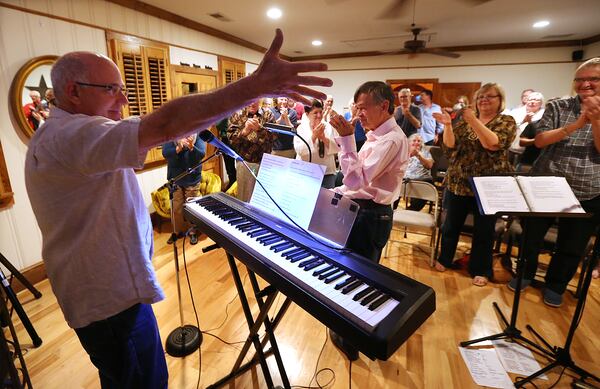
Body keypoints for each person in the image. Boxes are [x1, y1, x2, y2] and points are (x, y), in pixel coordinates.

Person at [24, 29, 331, 388]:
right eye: (111, 90)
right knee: (144, 381)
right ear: (73, 92)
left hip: (108, 293)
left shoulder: (70, 132)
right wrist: (254, 86)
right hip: (108, 301)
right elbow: (166, 125)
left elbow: (172, 128)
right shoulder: (72, 135)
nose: (123, 101)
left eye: (123, 89)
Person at [507, 57, 600, 307]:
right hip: (546, 181)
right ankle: (524, 273)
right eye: (580, 79)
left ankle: (556, 285)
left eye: (593, 79)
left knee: (572, 243)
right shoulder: (559, 106)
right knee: (531, 236)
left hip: (588, 188)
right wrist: (579, 123)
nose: (585, 84)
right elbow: (540, 141)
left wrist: (596, 121)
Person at [328, 81, 409, 361]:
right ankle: (345, 330)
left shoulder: (391, 139)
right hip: (360, 211)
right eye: (356, 108)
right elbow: (353, 186)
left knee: (360, 280)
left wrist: (347, 138)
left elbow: (355, 178)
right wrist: (332, 191)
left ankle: (352, 342)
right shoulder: (376, 135)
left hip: (371, 217)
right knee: (350, 273)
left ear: (383, 106)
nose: (358, 113)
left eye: (363, 107)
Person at [433, 83, 516, 287]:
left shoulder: (506, 121)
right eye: (480, 97)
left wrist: (473, 120)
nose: (484, 100)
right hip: (459, 182)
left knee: (484, 231)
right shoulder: (463, 121)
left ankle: (480, 269)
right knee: (451, 226)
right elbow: (450, 146)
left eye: (489, 96)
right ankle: (445, 258)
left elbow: (492, 143)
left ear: (500, 100)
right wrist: (448, 126)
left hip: (488, 186)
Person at [161, 133, 206, 245]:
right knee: (176, 207)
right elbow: (165, 153)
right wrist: (178, 148)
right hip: (175, 177)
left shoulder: (198, 134)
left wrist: (192, 147)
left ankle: (193, 231)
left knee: (192, 206)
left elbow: (201, 154)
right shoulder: (171, 134)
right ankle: (177, 231)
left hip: (192, 177)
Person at [228, 99, 276, 202]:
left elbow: (275, 136)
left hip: (265, 163)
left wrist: (260, 129)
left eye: (255, 99)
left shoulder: (268, 115)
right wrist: (244, 131)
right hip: (244, 163)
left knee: (263, 198)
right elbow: (231, 140)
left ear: (260, 100)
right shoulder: (236, 114)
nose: (252, 103)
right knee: (244, 197)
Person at [294, 99, 339, 188]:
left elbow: (337, 148)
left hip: (327, 172)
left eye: (321, 112)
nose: (319, 115)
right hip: (306, 172)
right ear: (307, 114)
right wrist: (314, 136)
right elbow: (300, 151)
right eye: (315, 113)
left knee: (326, 200)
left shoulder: (328, 126)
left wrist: (323, 138)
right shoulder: (301, 128)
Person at [394, 133, 434, 211]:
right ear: (408, 143)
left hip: (422, 179)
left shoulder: (425, 152)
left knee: (428, 186)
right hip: (404, 179)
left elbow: (429, 165)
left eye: (419, 141)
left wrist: (418, 155)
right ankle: (392, 211)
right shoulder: (403, 152)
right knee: (394, 184)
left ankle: (409, 211)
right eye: (414, 140)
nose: (416, 142)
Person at [508, 92, 544, 166]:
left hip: (530, 153)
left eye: (536, 100)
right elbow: (508, 127)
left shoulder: (544, 115)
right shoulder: (516, 112)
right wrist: (523, 121)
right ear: (526, 101)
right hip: (512, 149)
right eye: (530, 99)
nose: (532, 102)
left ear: (541, 103)